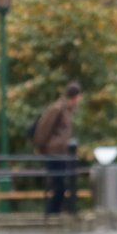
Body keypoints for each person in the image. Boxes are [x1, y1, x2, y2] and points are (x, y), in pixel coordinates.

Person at [34, 82, 82, 216]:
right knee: (58, 184)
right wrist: (41, 146)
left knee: (62, 183)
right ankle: (52, 212)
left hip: (62, 153)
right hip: (55, 152)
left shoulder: (66, 110)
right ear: (75, 96)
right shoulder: (57, 108)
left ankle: (56, 211)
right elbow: (44, 128)